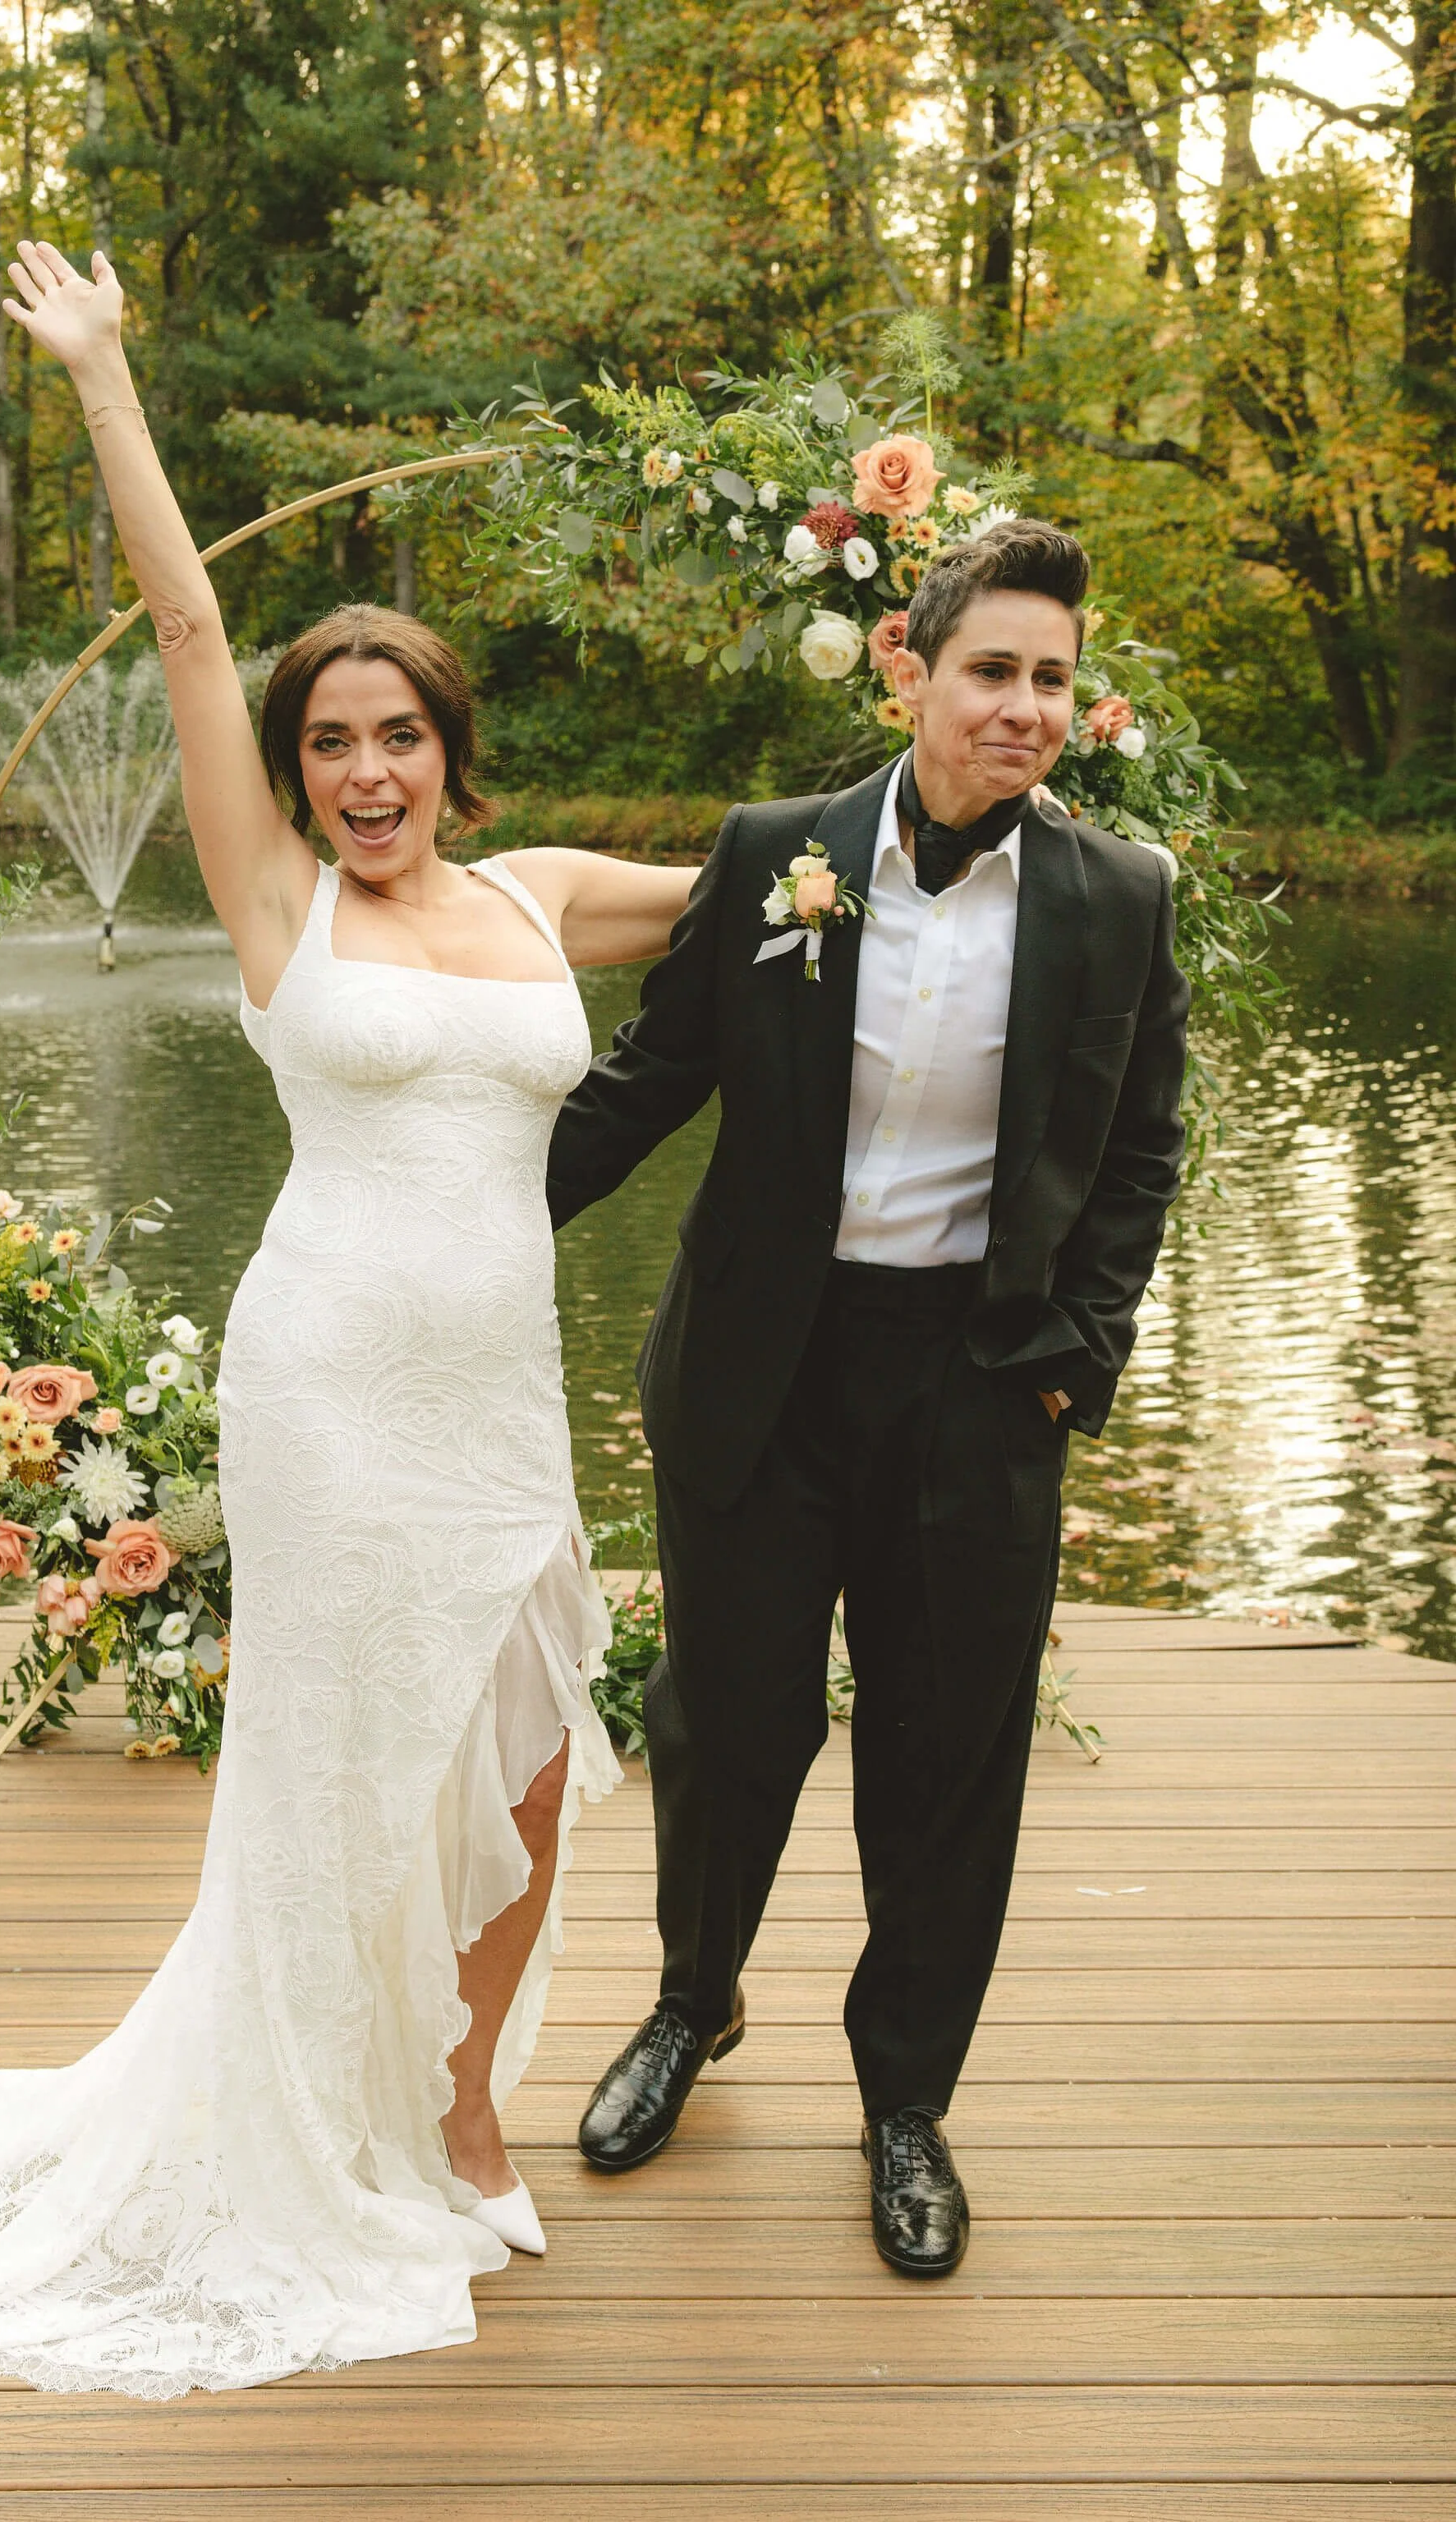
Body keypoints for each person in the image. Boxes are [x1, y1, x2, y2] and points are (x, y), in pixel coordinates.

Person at [0, 242, 698, 2401]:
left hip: (501, 1400)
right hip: (334, 1389)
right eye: (329, 741)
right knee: (338, 1767)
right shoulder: (282, 901)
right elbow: (186, 616)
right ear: (295, 770)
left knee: (535, 1749)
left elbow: (772, 878)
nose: (365, 769)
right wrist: (106, 368)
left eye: (399, 735)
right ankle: (316, 2132)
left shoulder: (540, 893)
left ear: (455, 755)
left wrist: (945, 751)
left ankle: (463, 2110)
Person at [548, 519, 1189, 2278]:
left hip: (981, 1386)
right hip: (763, 1367)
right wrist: (455, 1224)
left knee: (944, 1753)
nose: (1025, 707)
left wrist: (1079, 1355)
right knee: (727, 1720)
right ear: (911, 672)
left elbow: (1139, 1148)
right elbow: (647, 1077)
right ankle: (693, 2003)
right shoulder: (777, 860)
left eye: (1053, 677)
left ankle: (905, 2099)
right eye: (992, 670)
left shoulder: (1121, 896)